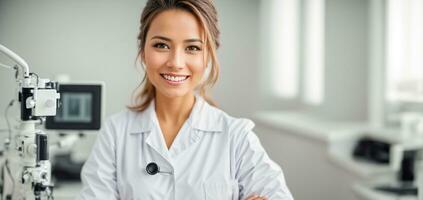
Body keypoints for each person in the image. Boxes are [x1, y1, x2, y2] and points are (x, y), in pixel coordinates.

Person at [77, 0, 293, 199]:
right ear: (143, 51)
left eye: (192, 48)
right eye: (161, 45)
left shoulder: (236, 137)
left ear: (208, 56)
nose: (176, 62)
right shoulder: (115, 133)